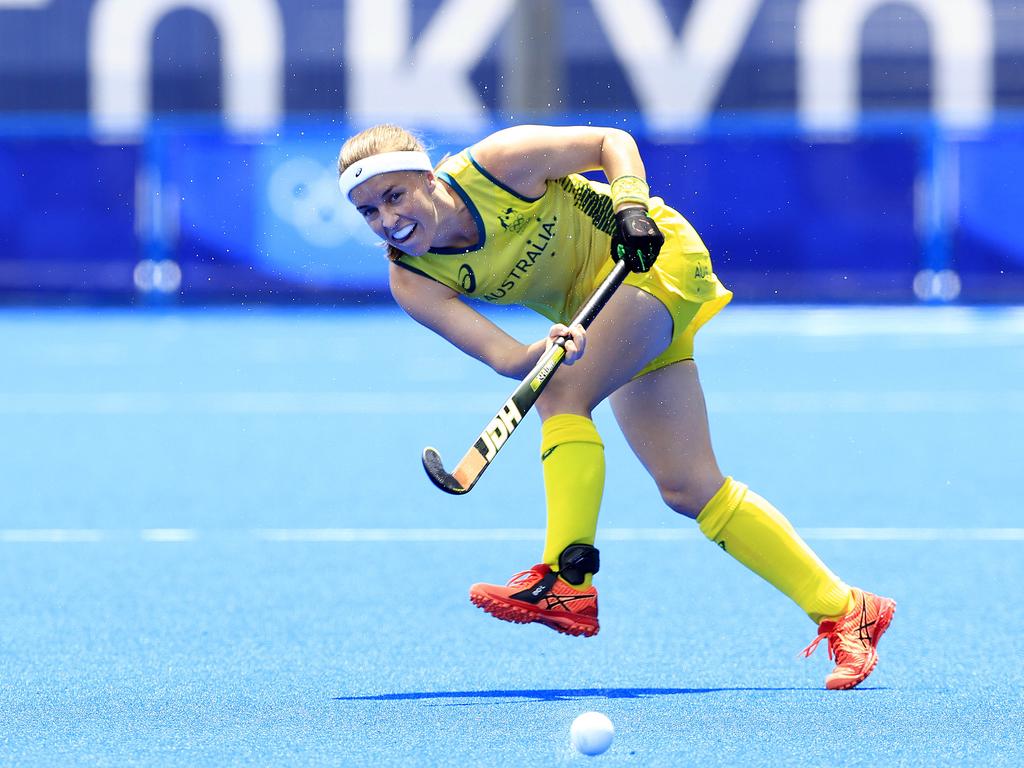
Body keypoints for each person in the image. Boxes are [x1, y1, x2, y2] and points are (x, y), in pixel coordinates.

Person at [336, 123, 896, 690]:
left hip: (654, 261)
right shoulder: (413, 281)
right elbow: (507, 358)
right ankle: (847, 609)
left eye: (394, 196)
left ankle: (567, 579)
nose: (388, 220)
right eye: (368, 213)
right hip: (599, 311)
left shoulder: (499, 165)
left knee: (561, 394)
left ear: (427, 179)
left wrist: (631, 208)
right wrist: (542, 348)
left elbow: (612, 141)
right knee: (688, 486)